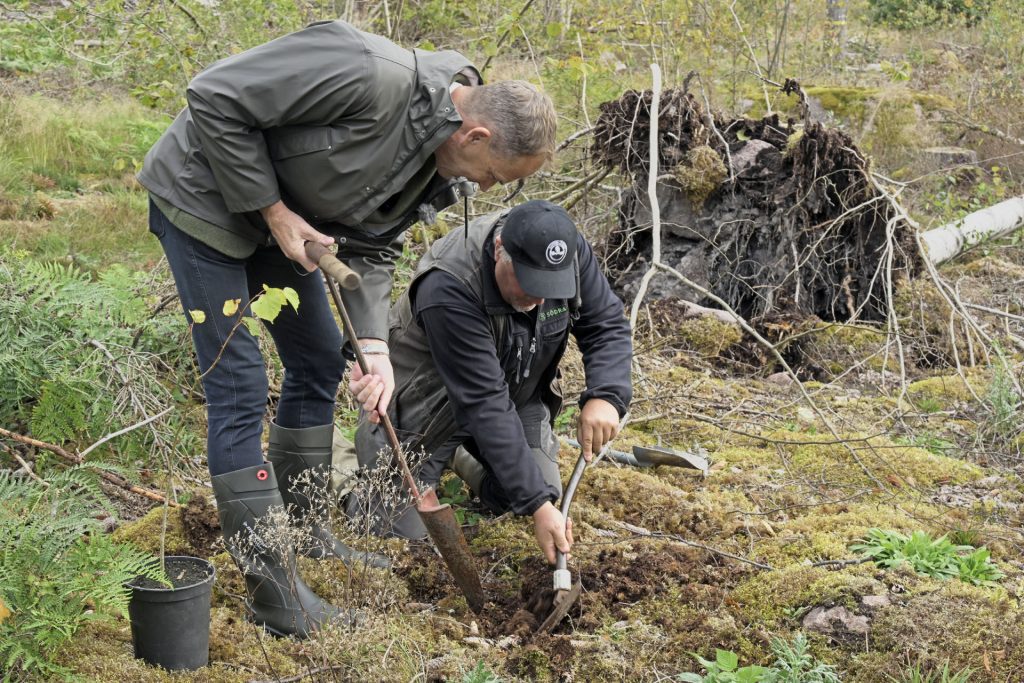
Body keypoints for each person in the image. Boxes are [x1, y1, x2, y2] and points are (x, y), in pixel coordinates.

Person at [137, 19, 556, 638]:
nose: (486, 188)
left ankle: (305, 531)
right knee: (241, 388)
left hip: (287, 227)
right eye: (495, 174)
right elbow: (212, 95)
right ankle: (274, 593)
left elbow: (375, 245)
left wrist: (377, 349)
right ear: (477, 134)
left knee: (318, 362)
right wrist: (274, 211)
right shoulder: (363, 68)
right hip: (203, 203)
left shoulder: (439, 158)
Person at [351, 199, 632, 565]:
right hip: (428, 409)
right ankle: (358, 462)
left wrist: (607, 396)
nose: (540, 298)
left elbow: (606, 322)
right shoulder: (448, 283)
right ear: (500, 250)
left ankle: (460, 457)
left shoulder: (564, 250)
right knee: (395, 531)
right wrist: (538, 506)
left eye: (550, 284)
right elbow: (484, 402)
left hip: (515, 397)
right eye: (529, 282)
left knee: (534, 491)